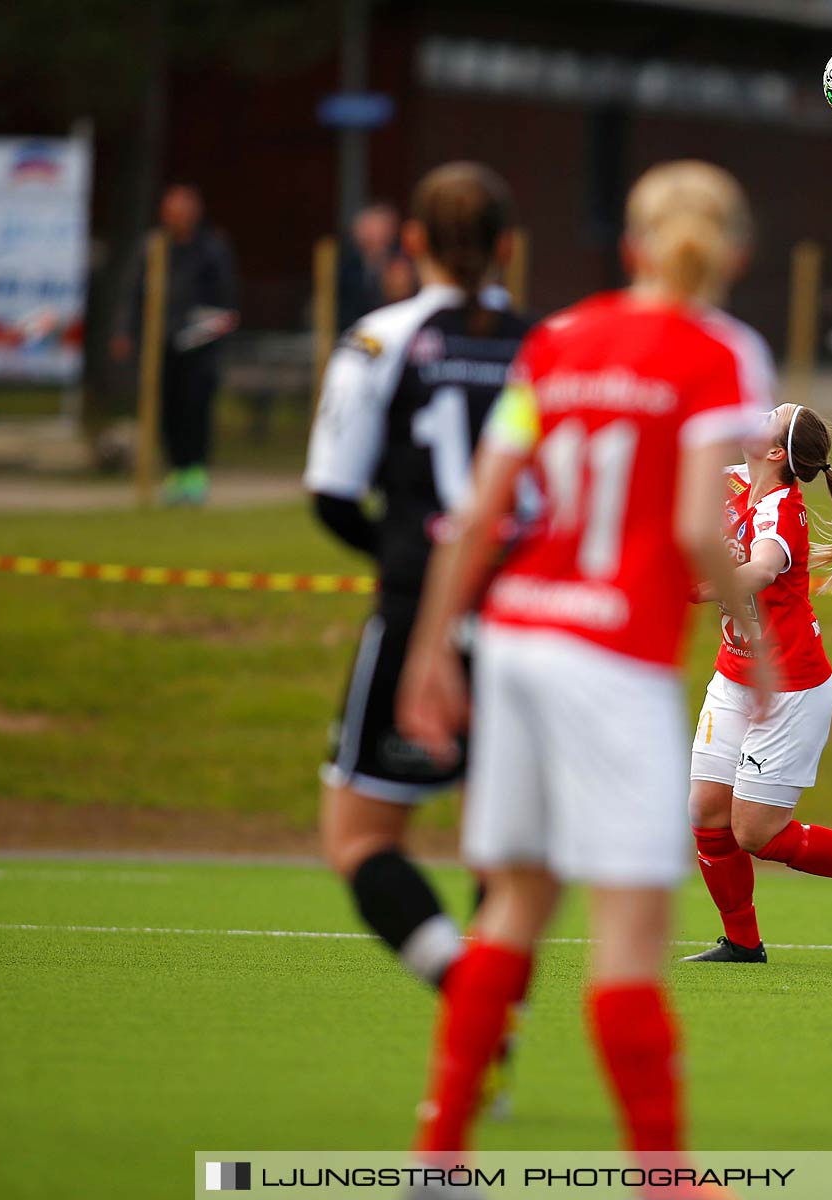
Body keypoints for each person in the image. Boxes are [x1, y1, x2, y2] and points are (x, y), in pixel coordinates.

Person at [395, 159, 772, 1163]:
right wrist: (757, 632)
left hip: (513, 637)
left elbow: (476, 516)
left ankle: (441, 1161)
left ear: (629, 247)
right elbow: (701, 526)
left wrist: (431, 650)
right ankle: (663, 1177)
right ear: (734, 253)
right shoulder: (724, 351)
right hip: (613, 659)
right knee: (629, 928)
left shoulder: (553, 339)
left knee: (514, 903)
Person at [303, 164, 526, 1002]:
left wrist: (407, 564)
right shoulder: (547, 347)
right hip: (526, 621)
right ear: (507, 246)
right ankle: (493, 1026)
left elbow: (331, 495)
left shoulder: (377, 341)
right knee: (503, 846)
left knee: (359, 839)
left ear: (413, 242)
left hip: (413, 617)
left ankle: (455, 976)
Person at [683, 403, 832, 964]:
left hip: (790, 689)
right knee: (706, 813)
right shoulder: (734, 480)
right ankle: (742, 944)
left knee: (757, 834)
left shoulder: (780, 510)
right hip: (735, 675)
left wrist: (703, 586)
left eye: (770, 417)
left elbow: (763, 567)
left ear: (775, 452)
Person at [111, 183, 239, 506]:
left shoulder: (211, 249)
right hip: (160, 343)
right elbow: (133, 293)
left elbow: (226, 300)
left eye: (183, 211)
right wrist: (124, 331)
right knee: (165, 409)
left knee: (194, 409)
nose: (177, 217)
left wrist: (204, 332)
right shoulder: (153, 247)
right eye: (172, 211)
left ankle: (195, 473)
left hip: (199, 347)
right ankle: (176, 470)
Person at [338, 201, 416, 328]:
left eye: (380, 227)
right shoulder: (346, 264)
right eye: (367, 228)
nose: (373, 234)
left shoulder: (403, 262)